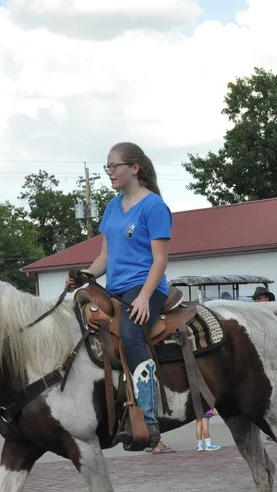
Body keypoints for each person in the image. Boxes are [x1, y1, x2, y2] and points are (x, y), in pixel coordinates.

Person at [66, 142, 172, 453]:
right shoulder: (113, 207)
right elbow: (105, 256)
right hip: (115, 288)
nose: (109, 172)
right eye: (107, 167)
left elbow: (160, 260)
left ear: (134, 168)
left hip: (145, 286)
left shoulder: (154, 206)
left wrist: (144, 297)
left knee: (129, 334)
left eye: (114, 166)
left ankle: (149, 419)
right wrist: (85, 275)